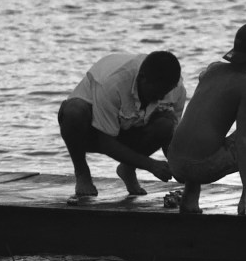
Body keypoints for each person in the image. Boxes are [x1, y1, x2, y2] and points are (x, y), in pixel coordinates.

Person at [167, 22, 246, 216]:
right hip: (203, 167)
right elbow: (243, 141)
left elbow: (216, 78)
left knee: (201, 130)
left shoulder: (213, 70)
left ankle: (190, 199)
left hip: (175, 162)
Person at [58, 51, 186, 199]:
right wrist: (151, 165)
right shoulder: (113, 83)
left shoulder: (177, 89)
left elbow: (172, 138)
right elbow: (106, 143)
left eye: (165, 92)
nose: (161, 97)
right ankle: (82, 173)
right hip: (92, 133)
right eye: (156, 92)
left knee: (166, 124)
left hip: (130, 128)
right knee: (74, 112)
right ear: (141, 78)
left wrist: (179, 168)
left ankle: (128, 169)